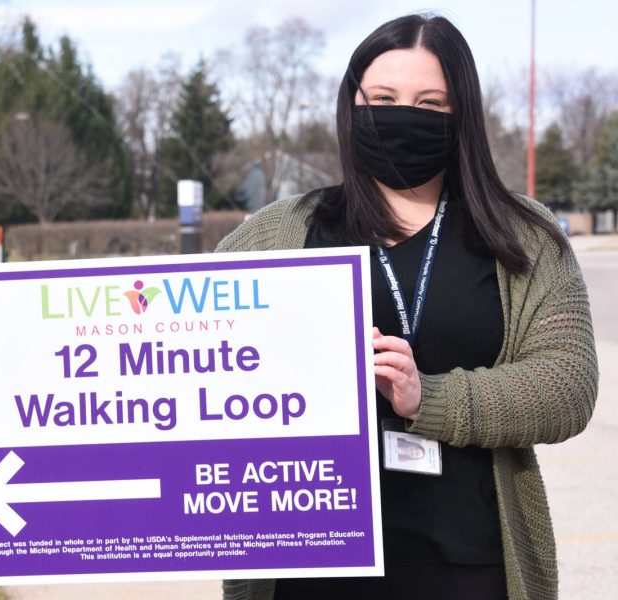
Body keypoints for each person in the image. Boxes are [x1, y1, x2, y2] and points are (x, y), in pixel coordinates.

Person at [216, 13, 597, 600]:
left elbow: (567, 386)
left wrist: (430, 397)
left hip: (471, 566)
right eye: (385, 97)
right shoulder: (273, 236)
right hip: (308, 574)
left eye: (429, 103)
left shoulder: (525, 235)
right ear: (352, 104)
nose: (403, 115)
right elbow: (188, 363)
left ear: (461, 115)